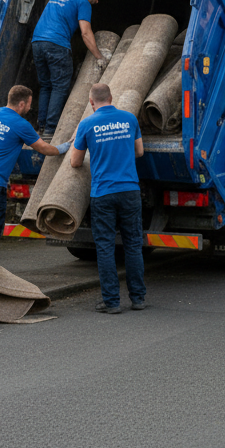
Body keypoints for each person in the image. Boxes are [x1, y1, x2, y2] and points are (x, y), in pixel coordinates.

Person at [0, 85, 69, 262]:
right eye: (29, 104)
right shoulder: (21, 124)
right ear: (21, 104)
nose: (30, 108)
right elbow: (43, 148)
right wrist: (64, 147)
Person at [70, 83, 145, 314]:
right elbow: (139, 151)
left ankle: (111, 302)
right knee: (133, 244)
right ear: (112, 97)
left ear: (92, 103)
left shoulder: (87, 124)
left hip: (103, 193)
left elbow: (75, 161)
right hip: (130, 190)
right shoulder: (129, 119)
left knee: (104, 247)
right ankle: (138, 298)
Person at [31, 0, 105, 138]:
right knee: (60, 86)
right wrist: (99, 56)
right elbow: (85, 33)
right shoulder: (83, 2)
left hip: (37, 42)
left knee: (46, 85)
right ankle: (51, 129)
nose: (97, 2)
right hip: (57, 44)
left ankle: (41, 126)